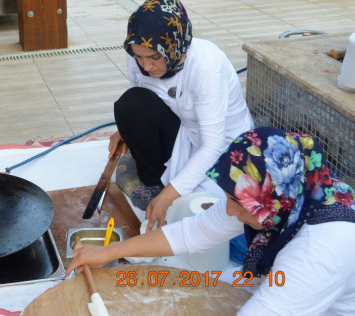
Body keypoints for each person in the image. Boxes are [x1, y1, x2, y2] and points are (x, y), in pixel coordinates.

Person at [67, 127, 355, 315]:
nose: (228, 210)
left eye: (238, 203)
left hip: (321, 306)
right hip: (272, 279)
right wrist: (109, 251)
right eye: (228, 197)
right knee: (181, 291)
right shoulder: (288, 196)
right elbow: (193, 232)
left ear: (272, 202)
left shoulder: (318, 253)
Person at [108, 0, 254, 230]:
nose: (146, 66)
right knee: (130, 105)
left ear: (175, 46)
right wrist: (124, 130)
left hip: (225, 144)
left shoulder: (205, 66)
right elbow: (137, 88)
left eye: (155, 57)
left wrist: (168, 196)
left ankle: (166, 192)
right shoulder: (138, 53)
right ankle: (154, 183)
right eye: (139, 57)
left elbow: (212, 145)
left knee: (204, 212)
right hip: (184, 129)